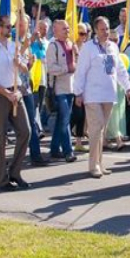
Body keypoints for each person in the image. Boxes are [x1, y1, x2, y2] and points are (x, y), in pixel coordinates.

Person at [73, 16, 130, 178]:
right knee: (96, 129)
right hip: (92, 95)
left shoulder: (113, 47)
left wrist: (128, 87)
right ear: (95, 31)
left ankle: (99, 163)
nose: (105, 32)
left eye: (107, 28)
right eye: (102, 29)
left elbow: (120, 69)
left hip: (109, 94)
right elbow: (80, 71)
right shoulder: (88, 48)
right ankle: (93, 166)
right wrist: (78, 92)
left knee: (101, 131)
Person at [0, 15, 33, 191]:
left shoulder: (13, 46)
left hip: (15, 91)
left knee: (26, 131)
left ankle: (15, 172)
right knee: (0, 137)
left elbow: (25, 68)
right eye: (7, 26)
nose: (10, 29)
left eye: (10, 26)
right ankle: (3, 179)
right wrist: (6, 93)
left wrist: (20, 64)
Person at [16, 15, 46, 167]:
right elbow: (14, 57)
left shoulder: (30, 38)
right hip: (13, 87)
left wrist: (37, 44)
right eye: (19, 24)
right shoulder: (11, 40)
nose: (21, 27)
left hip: (27, 87)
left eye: (24, 24)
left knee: (32, 122)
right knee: (14, 124)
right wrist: (29, 42)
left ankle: (36, 154)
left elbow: (41, 53)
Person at [46, 20, 77, 162]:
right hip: (59, 89)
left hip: (70, 87)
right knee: (65, 120)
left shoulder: (71, 44)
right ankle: (68, 151)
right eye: (64, 29)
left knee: (62, 120)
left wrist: (77, 54)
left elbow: (77, 66)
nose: (67, 31)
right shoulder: (53, 46)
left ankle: (54, 148)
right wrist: (67, 69)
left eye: (68, 28)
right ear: (55, 30)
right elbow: (51, 68)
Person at [71, 23, 91, 153]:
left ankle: (78, 142)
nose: (84, 36)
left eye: (85, 33)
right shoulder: (71, 46)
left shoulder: (87, 47)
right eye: (81, 33)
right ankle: (63, 138)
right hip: (73, 84)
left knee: (82, 115)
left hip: (85, 85)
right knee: (75, 114)